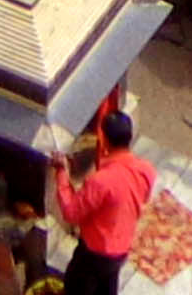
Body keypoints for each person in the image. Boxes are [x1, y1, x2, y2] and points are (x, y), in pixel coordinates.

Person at [56, 102, 155, 295]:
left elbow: (70, 211)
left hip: (94, 252)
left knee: (76, 287)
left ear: (105, 140)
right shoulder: (146, 171)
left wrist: (61, 173)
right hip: (121, 249)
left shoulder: (101, 182)